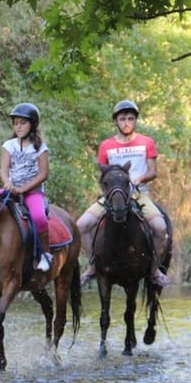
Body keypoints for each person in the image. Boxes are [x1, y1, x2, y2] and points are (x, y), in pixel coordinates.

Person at [77, 99, 171, 287]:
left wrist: (139, 179)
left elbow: (153, 172)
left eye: (130, 118)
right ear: (116, 121)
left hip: (138, 194)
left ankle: (154, 269)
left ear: (135, 120)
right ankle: (94, 265)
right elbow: (102, 173)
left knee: (161, 228)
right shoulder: (106, 145)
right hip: (112, 196)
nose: (126, 122)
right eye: (122, 119)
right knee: (81, 226)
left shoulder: (146, 142)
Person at [0, 102, 52, 272]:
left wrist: (23, 189)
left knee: (38, 217)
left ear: (33, 125)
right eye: (16, 123)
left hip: (32, 192)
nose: (18, 127)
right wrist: (7, 183)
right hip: (11, 189)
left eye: (23, 123)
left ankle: (45, 254)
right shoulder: (9, 145)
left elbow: (43, 174)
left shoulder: (40, 148)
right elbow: (3, 170)